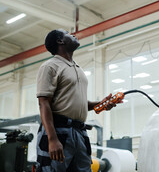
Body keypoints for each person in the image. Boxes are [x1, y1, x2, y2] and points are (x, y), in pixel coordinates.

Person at [36, 29, 116, 172]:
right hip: (59, 131)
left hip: (79, 132)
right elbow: (43, 102)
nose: (73, 35)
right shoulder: (50, 66)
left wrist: (101, 104)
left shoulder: (77, 69)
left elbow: (77, 103)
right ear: (60, 41)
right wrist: (52, 139)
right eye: (68, 33)